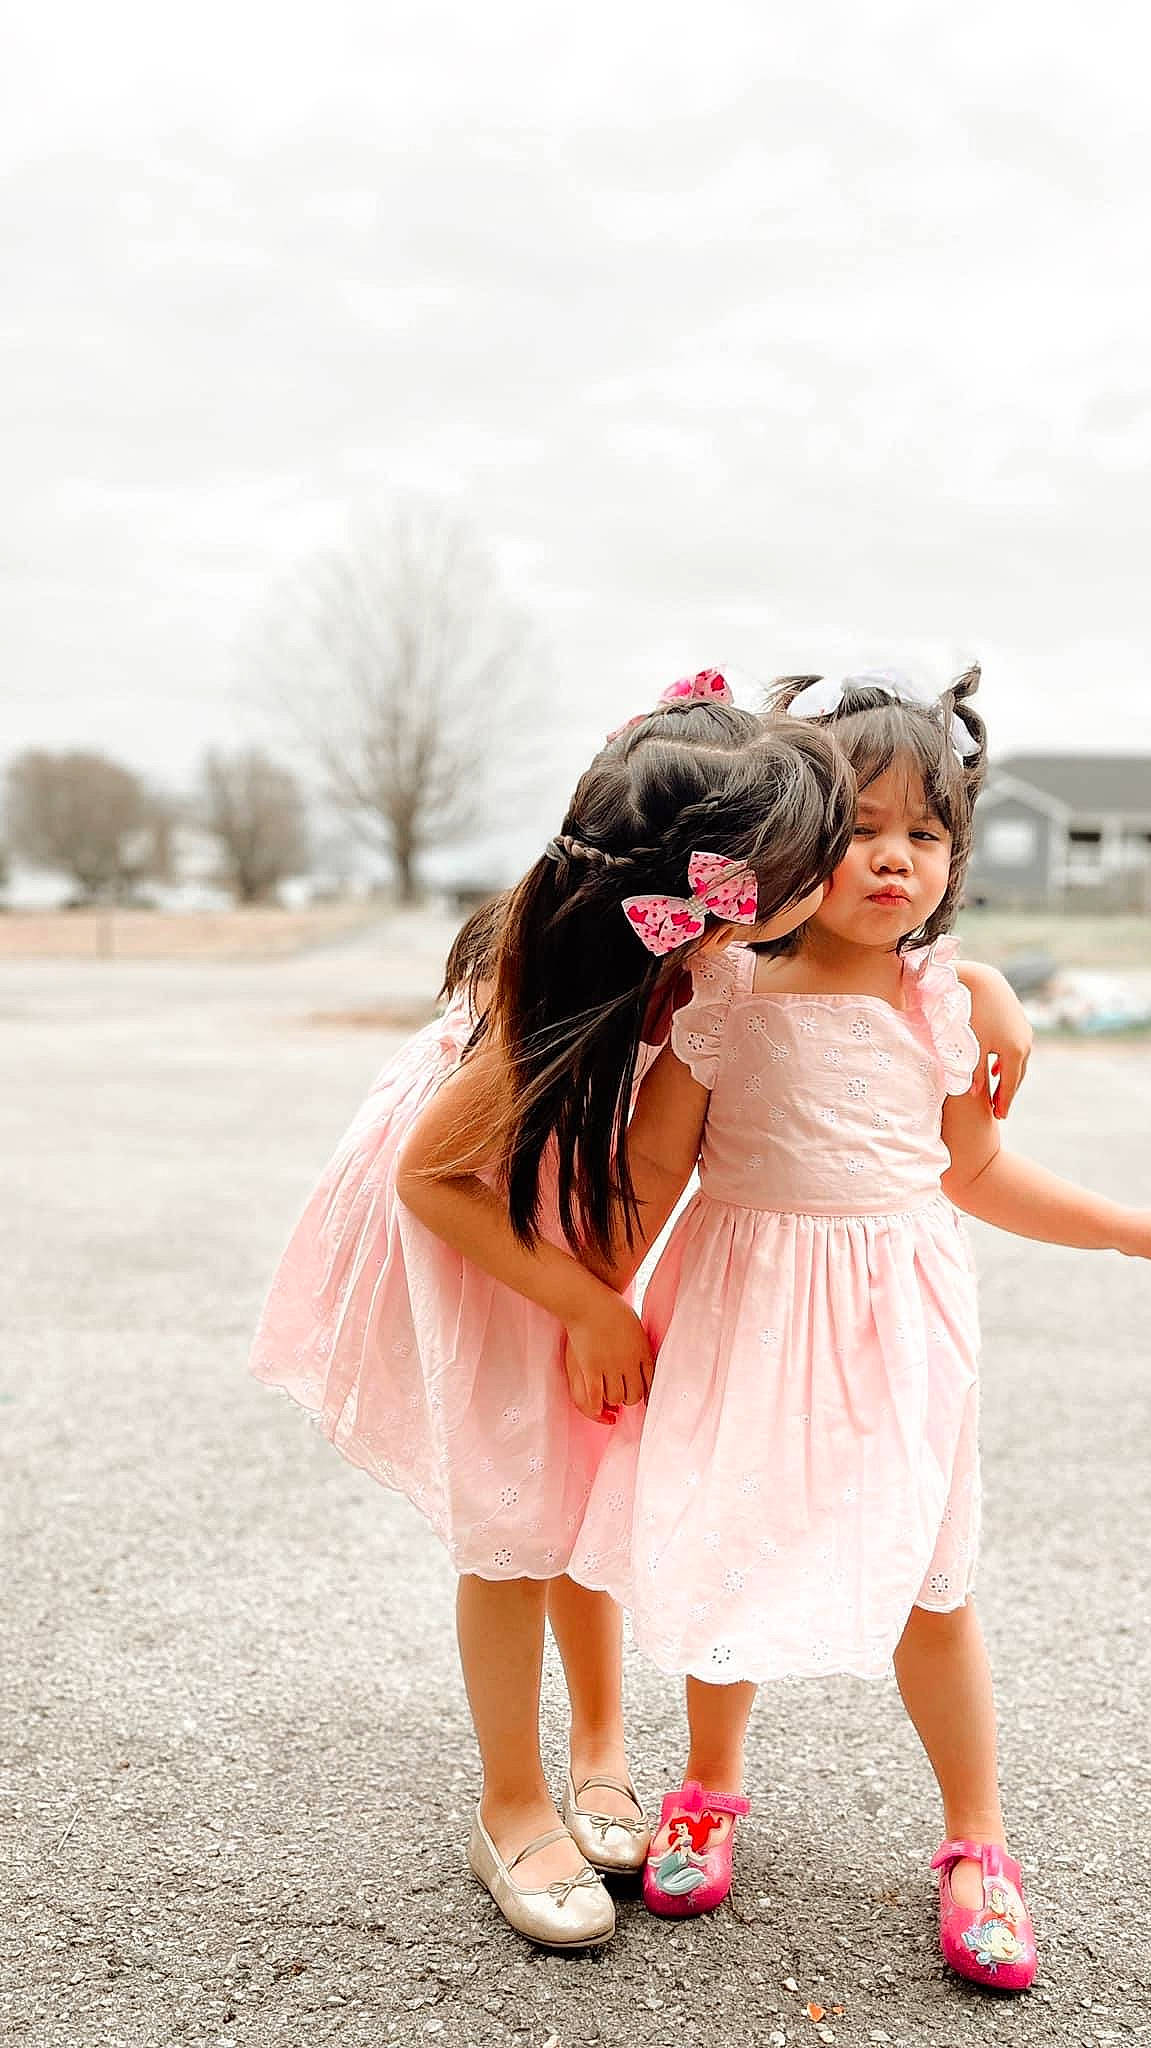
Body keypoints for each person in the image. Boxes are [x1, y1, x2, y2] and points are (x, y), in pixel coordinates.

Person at [570, 668, 1151, 1990]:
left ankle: (979, 1843)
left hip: (900, 1317)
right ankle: (709, 1787)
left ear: (958, 855)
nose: (893, 859)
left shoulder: (946, 1004)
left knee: (933, 1585)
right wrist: (586, 1297)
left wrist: (1127, 1224)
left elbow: (977, 1173)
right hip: (741, 1301)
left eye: (924, 835)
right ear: (791, 846)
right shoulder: (724, 994)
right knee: (730, 1542)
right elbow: (653, 1175)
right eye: (859, 830)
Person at [249, 672, 855, 1954]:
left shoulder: (699, 956)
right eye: (809, 862)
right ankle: (510, 1797)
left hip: (567, 1218)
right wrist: (584, 1300)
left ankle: (599, 1745)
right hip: (483, 1221)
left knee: (588, 1489)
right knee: (514, 1514)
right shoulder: (551, 995)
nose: (833, 876)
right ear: (711, 890)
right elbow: (429, 1178)